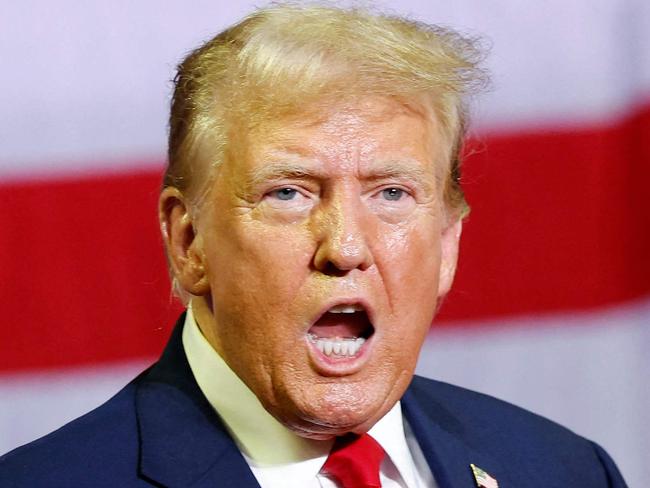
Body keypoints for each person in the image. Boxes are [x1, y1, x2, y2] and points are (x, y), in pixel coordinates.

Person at [0, 4, 627, 487]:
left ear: (446, 244)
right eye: (289, 193)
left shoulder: (563, 469)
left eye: (391, 194)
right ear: (188, 241)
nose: (346, 247)